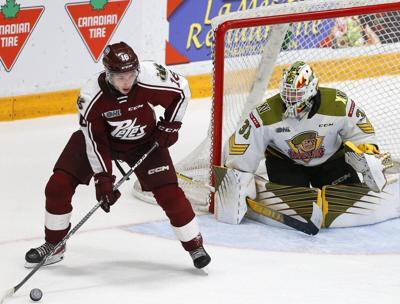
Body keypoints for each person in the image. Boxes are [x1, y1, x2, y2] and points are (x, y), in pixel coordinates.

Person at [25, 41, 211, 269]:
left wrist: (170, 126)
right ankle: (54, 246)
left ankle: (195, 246)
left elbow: (182, 90)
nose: (127, 82)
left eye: (131, 75)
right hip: (104, 143)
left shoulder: (151, 75)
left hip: (145, 142)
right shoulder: (91, 96)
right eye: (121, 77)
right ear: (108, 74)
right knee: (58, 185)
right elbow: (96, 142)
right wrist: (103, 178)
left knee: (170, 194)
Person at [215, 61, 397, 228]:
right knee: (300, 209)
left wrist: (368, 151)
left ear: (312, 88)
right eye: (287, 93)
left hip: (331, 159)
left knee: (350, 206)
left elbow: (360, 129)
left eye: (296, 94)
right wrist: (237, 175)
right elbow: (244, 144)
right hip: (286, 163)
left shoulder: (337, 103)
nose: (290, 99)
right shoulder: (265, 114)